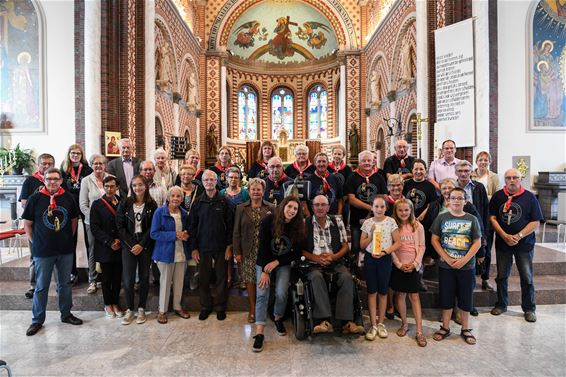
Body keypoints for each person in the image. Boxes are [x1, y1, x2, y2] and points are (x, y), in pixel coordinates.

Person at [22, 168, 83, 336]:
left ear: (61, 181)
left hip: (64, 250)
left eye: (56, 179)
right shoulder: (35, 199)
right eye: (49, 179)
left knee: (64, 285)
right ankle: (37, 320)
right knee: (41, 286)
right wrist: (36, 242)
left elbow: (73, 220)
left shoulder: (68, 198)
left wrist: (66, 239)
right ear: (44, 180)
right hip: (43, 251)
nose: (52, 182)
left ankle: (66, 314)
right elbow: (27, 223)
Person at [302, 194, 364, 335]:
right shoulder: (305, 223)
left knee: (347, 278)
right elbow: (300, 249)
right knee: (316, 277)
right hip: (313, 263)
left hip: (335, 261)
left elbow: (345, 246)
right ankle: (325, 321)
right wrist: (316, 258)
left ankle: (346, 322)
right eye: (316, 205)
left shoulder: (337, 221)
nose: (320, 208)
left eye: (323, 205)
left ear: (328, 207)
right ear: (312, 207)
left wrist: (334, 256)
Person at [252, 196, 305, 352]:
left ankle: (277, 317)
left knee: (281, 293)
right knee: (262, 292)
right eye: (289, 207)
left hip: (282, 262)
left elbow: (297, 253)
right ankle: (259, 332)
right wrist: (265, 271)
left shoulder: (298, 227)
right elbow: (262, 248)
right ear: (283, 206)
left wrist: (277, 262)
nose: (292, 211)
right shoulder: (268, 221)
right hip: (264, 261)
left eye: (295, 209)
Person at [489, 168, 543, 323]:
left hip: (524, 244)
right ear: (504, 180)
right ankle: (501, 304)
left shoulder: (530, 197)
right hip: (503, 243)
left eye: (515, 177)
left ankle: (529, 308)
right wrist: (504, 235)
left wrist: (519, 236)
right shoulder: (498, 196)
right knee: (502, 276)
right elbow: (492, 217)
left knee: (527, 277)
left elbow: (535, 222)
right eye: (508, 178)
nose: (511, 180)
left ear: (521, 179)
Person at [430, 187, 482, 345]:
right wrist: (445, 257)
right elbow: (434, 239)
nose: (456, 201)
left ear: (465, 201)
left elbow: (477, 242)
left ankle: (465, 328)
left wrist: (464, 259)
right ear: (448, 200)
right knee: (446, 296)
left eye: (460, 198)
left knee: (465, 297)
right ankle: (445, 327)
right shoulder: (442, 218)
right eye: (453, 198)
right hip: (446, 266)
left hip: (466, 267)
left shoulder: (471, 219)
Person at [188, 170, 234, 321]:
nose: (209, 182)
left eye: (211, 180)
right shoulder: (198, 203)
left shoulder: (224, 202)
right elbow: (192, 227)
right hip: (203, 246)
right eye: (206, 180)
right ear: (202, 182)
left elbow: (230, 225)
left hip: (221, 246)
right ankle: (206, 306)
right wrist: (194, 248)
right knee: (204, 278)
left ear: (216, 182)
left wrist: (229, 246)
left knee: (221, 278)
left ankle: (220, 307)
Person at [233, 178, 275, 323]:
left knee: (263, 281)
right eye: (253, 189)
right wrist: (237, 252)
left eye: (259, 189)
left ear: (263, 192)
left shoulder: (271, 208)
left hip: (265, 251)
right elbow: (236, 231)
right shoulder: (241, 208)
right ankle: (252, 308)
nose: (256, 192)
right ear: (249, 191)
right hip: (247, 250)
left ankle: (263, 308)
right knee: (250, 280)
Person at [116, 175, 157, 325]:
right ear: (131, 188)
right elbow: (120, 227)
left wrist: (142, 244)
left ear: (145, 186)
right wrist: (132, 244)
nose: (137, 188)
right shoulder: (125, 204)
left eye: (140, 185)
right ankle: (130, 310)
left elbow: (153, 227)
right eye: (134, 185)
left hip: (145, 245)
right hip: (129, 246)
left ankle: (141, 308)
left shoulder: (152, 205)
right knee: (128, 280)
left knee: (145, 278)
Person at [360, 195, 400, 340]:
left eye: (382, 206)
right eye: (376, 206)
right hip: (370, 259)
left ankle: (381, 323)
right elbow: (362, 245)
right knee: (372, 292)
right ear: (372, 207)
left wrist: (385, 252)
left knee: (383, 292)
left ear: (386, 208)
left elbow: (398, 242)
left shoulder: (391, 222)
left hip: (384, 259)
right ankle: (373, 324)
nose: (379, 209)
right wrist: (370, 235)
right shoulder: (367, 223)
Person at [150, 186, 191, 324]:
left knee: (179, 282)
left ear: (182, 198)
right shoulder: (159, 212)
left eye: (178, 196)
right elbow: (154, 233)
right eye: (172, 196)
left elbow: (188, 230)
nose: (175, 198)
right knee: (165, 282)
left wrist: (186, 235)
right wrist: (175, 235)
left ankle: (177, 307)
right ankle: (162, 311)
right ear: (168, 198)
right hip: (165, 253)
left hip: (181, 252)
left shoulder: (184, 213)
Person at [391, 199, 426, 347]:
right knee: (400, 295)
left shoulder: (417, 226)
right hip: (399, 265)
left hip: (413, 266)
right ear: (396, 211)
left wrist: (415, 263)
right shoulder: (393, 226)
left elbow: (422, 246)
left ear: (411, 210)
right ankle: (405, 324)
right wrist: (399, 264)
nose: (404, 213)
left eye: (406, 210)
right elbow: (390, 246)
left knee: (414, 296)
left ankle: (419, 331)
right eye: (400, 210)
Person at [19, 153, 55, 299]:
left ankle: (60, 284)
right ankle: (33, 286)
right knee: (35, 255)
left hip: (54, 224)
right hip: (36, 225)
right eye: (44, 163)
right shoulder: (30, 181)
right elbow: (23, 202)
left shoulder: (56, 179)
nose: (46, 166)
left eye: (49, 164)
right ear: (38, 164)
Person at [344, 150, 387, 262]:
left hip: (376, 220)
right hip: (357, 220)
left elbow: (384, 197)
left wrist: (376, 209)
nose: (367, 163)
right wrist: (370, 208)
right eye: (364, 161)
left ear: (373, 162)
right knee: (356, 247)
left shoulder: (379, 177)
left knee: (375, 245)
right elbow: (351, 199)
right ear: (359, 162)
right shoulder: (352, 177)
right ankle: (355, 272)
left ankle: (370, 268)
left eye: (369, 160)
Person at [90, 176, 123, 318]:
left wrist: (120, 240)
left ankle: (115, 303)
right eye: (107, 186)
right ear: (103, 187)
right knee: (106, 278)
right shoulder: (97, 204)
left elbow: (126, 224)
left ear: (117, 187)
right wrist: (110, 242)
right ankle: (107, 304)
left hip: (120, 246)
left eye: (112, 186)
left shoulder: (122, 202)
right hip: (105, 247)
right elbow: (94, 228)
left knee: (117, 278)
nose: (109, 189)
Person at [456, 160, 490, 296]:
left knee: (475, 264)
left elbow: (486, 211)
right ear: (456, 172)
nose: (464, 174)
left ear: (471, 172)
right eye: (460, 171)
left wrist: (485, 235)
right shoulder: (451, 187)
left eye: (466, 171)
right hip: (458, 230)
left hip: (475, 228)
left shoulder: (479, 187)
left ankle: (470, 300)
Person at [60, 144, 93, 284]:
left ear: (82, 155)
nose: (75, 155)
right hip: (69, 207)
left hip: (85, 206)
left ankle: (92, 273)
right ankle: (72, 272)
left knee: (89, 240)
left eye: (78, 153)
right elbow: (60, 188)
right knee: (70, 240)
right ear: (68, 154)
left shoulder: (87, 169)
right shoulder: (63, 169)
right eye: (72, 153)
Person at [79, 154, 111, 294]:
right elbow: (83, 204)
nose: (98, 166)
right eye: (95, 163)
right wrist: (94, 219)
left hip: (109, 223)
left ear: (105, 165)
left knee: (109, 249)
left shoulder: (111, 179)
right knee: (93, 250)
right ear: (91, 165)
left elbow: (115, 199)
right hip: (91, 223)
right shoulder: (86, 180)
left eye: (101, 163)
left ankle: (108, 278)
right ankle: (92, 280)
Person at [471, 151, 500, 290]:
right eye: (480, 159)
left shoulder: (493, 177)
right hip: (471, 216)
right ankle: (472, 276)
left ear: (490, 161)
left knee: (486, 249)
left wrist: (484, 197)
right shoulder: (470, 174)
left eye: (485, 160)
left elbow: (495, 197)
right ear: (476, 161)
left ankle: (485, 278)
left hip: (486, 215)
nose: (483, 162)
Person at [306, 152, 343, 217]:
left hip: (333, 216)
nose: (321, 164)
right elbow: (304, 202)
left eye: (324, 161)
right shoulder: (308, 180)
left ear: (328, 163)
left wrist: (339, 215)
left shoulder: (335, 178)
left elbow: (340, 199)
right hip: (314, 217)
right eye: (319, 161)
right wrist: (309, 218)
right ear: (315, 163)